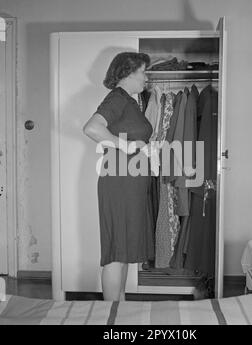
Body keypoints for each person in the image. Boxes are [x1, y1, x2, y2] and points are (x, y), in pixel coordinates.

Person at [83, 52, 155, 301]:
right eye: (144, 72)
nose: (147, 77)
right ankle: (110, 314)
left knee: (123, 250)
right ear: (128, 73)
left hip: (130, 182)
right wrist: (124, 146)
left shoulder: (130, 101)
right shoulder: (117, 98)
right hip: (119, 182)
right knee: (116, 251)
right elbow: (92, 127)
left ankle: (119, 308)